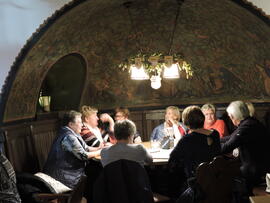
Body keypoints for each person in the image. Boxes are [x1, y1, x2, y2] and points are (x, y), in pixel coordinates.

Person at [168, 106, 221, 198]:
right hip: (216, 182)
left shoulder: (187, 139)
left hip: (195, 186)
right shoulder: (215, 134)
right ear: (202, 118)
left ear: (186, 122)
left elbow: (172, 161)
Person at [221, 101, 270, 194]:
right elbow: (231, 137)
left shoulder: (247, 126)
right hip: (259, 166)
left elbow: (226, 147)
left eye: (230, 116)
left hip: (255, 170)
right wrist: (215, 139)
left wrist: (211, 146)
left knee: (224, 176)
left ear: (233, 116)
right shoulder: (250, 122)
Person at [43, 110, 101, 189]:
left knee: (94, 173)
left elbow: (86, 148)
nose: (82, 125)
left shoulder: (73, 132)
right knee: (95, 175)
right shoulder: (68, 136)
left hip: (67, 173)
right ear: (71, 124)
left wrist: (99, 148)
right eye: (80, 122)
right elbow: (83, 155)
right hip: (62, 176)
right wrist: (100, 151)